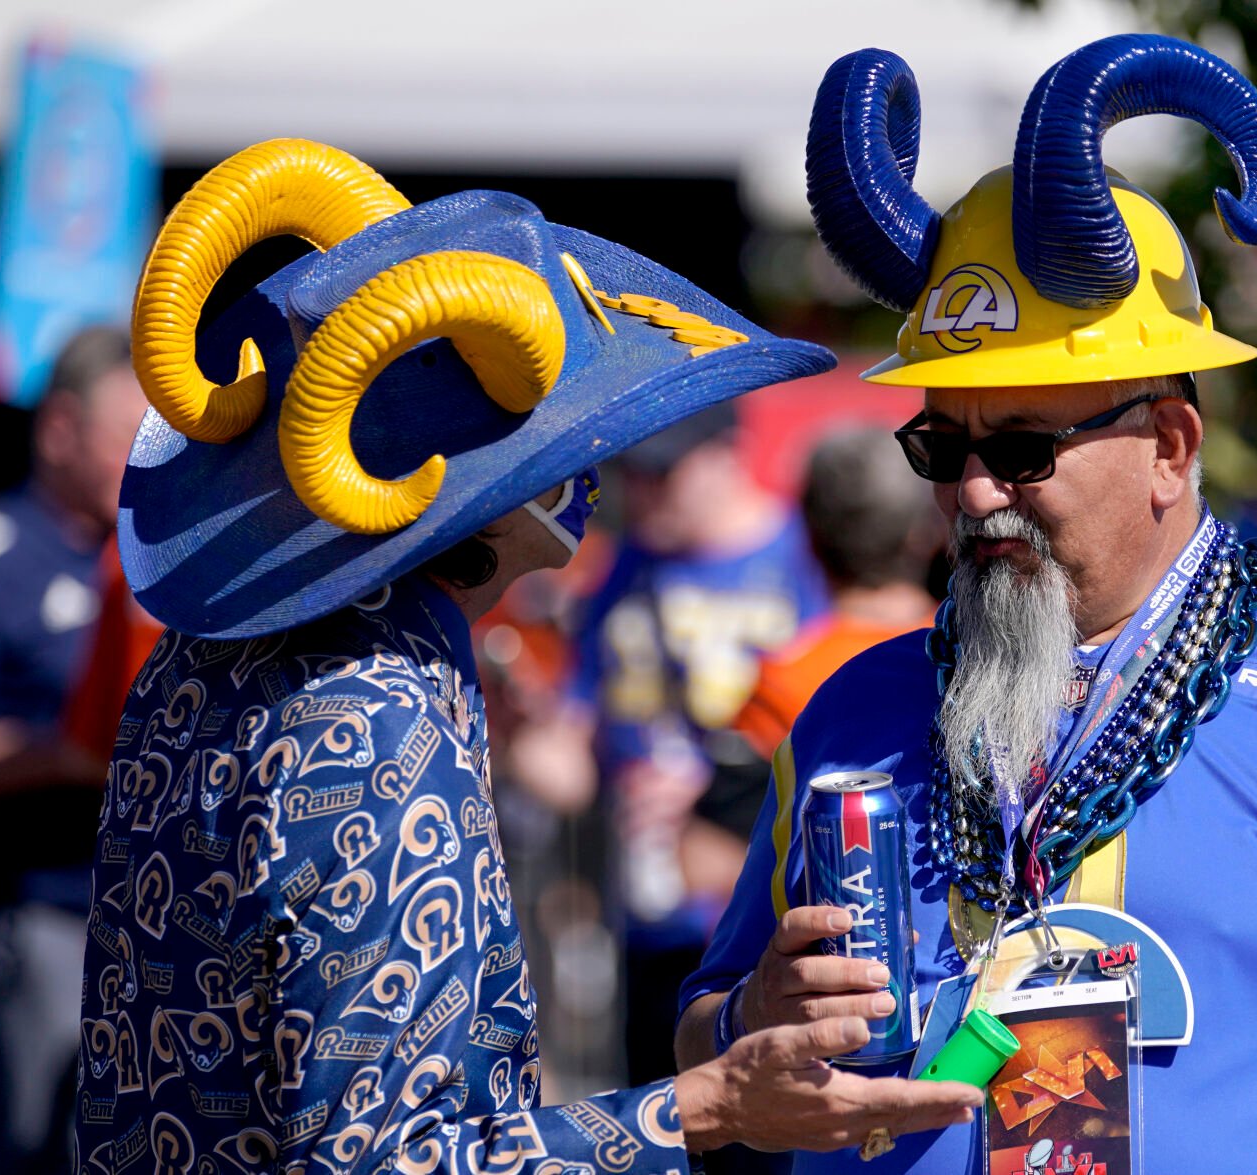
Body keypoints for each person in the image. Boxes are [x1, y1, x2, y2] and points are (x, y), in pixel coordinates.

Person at [678, 37, 1257, 1173]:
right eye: (941, 443)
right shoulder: (849, 714)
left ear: (1168, 447)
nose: (973, 490)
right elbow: (698, 1038)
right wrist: (749, 1015)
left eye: (1025, 446)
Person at [76, 138, 981, 1173]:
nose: (593, 467)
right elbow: (387, 1161)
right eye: (561, 443)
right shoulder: (376, 710)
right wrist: (709, 1103)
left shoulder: (207, 659)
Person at [568, 400, 829, 1084]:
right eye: (631, 472)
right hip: (648, 923)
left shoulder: (808, 559)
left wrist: (717, 797)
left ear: (727, 453)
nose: (640, 492)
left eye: (662, 471)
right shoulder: (623, 568)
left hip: (760, 930)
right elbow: (570, 754)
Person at [0, 324, 141, 1175]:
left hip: (149, 933)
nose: (143, 460)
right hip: (42, 926)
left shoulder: (144, 561)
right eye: (124, 436)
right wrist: (56, 753)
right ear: (60, 428)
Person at [727, 426, 939, 759]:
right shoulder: (969, 654)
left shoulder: (782, 682)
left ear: (809, 537)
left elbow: (740, 805)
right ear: (924, 535)